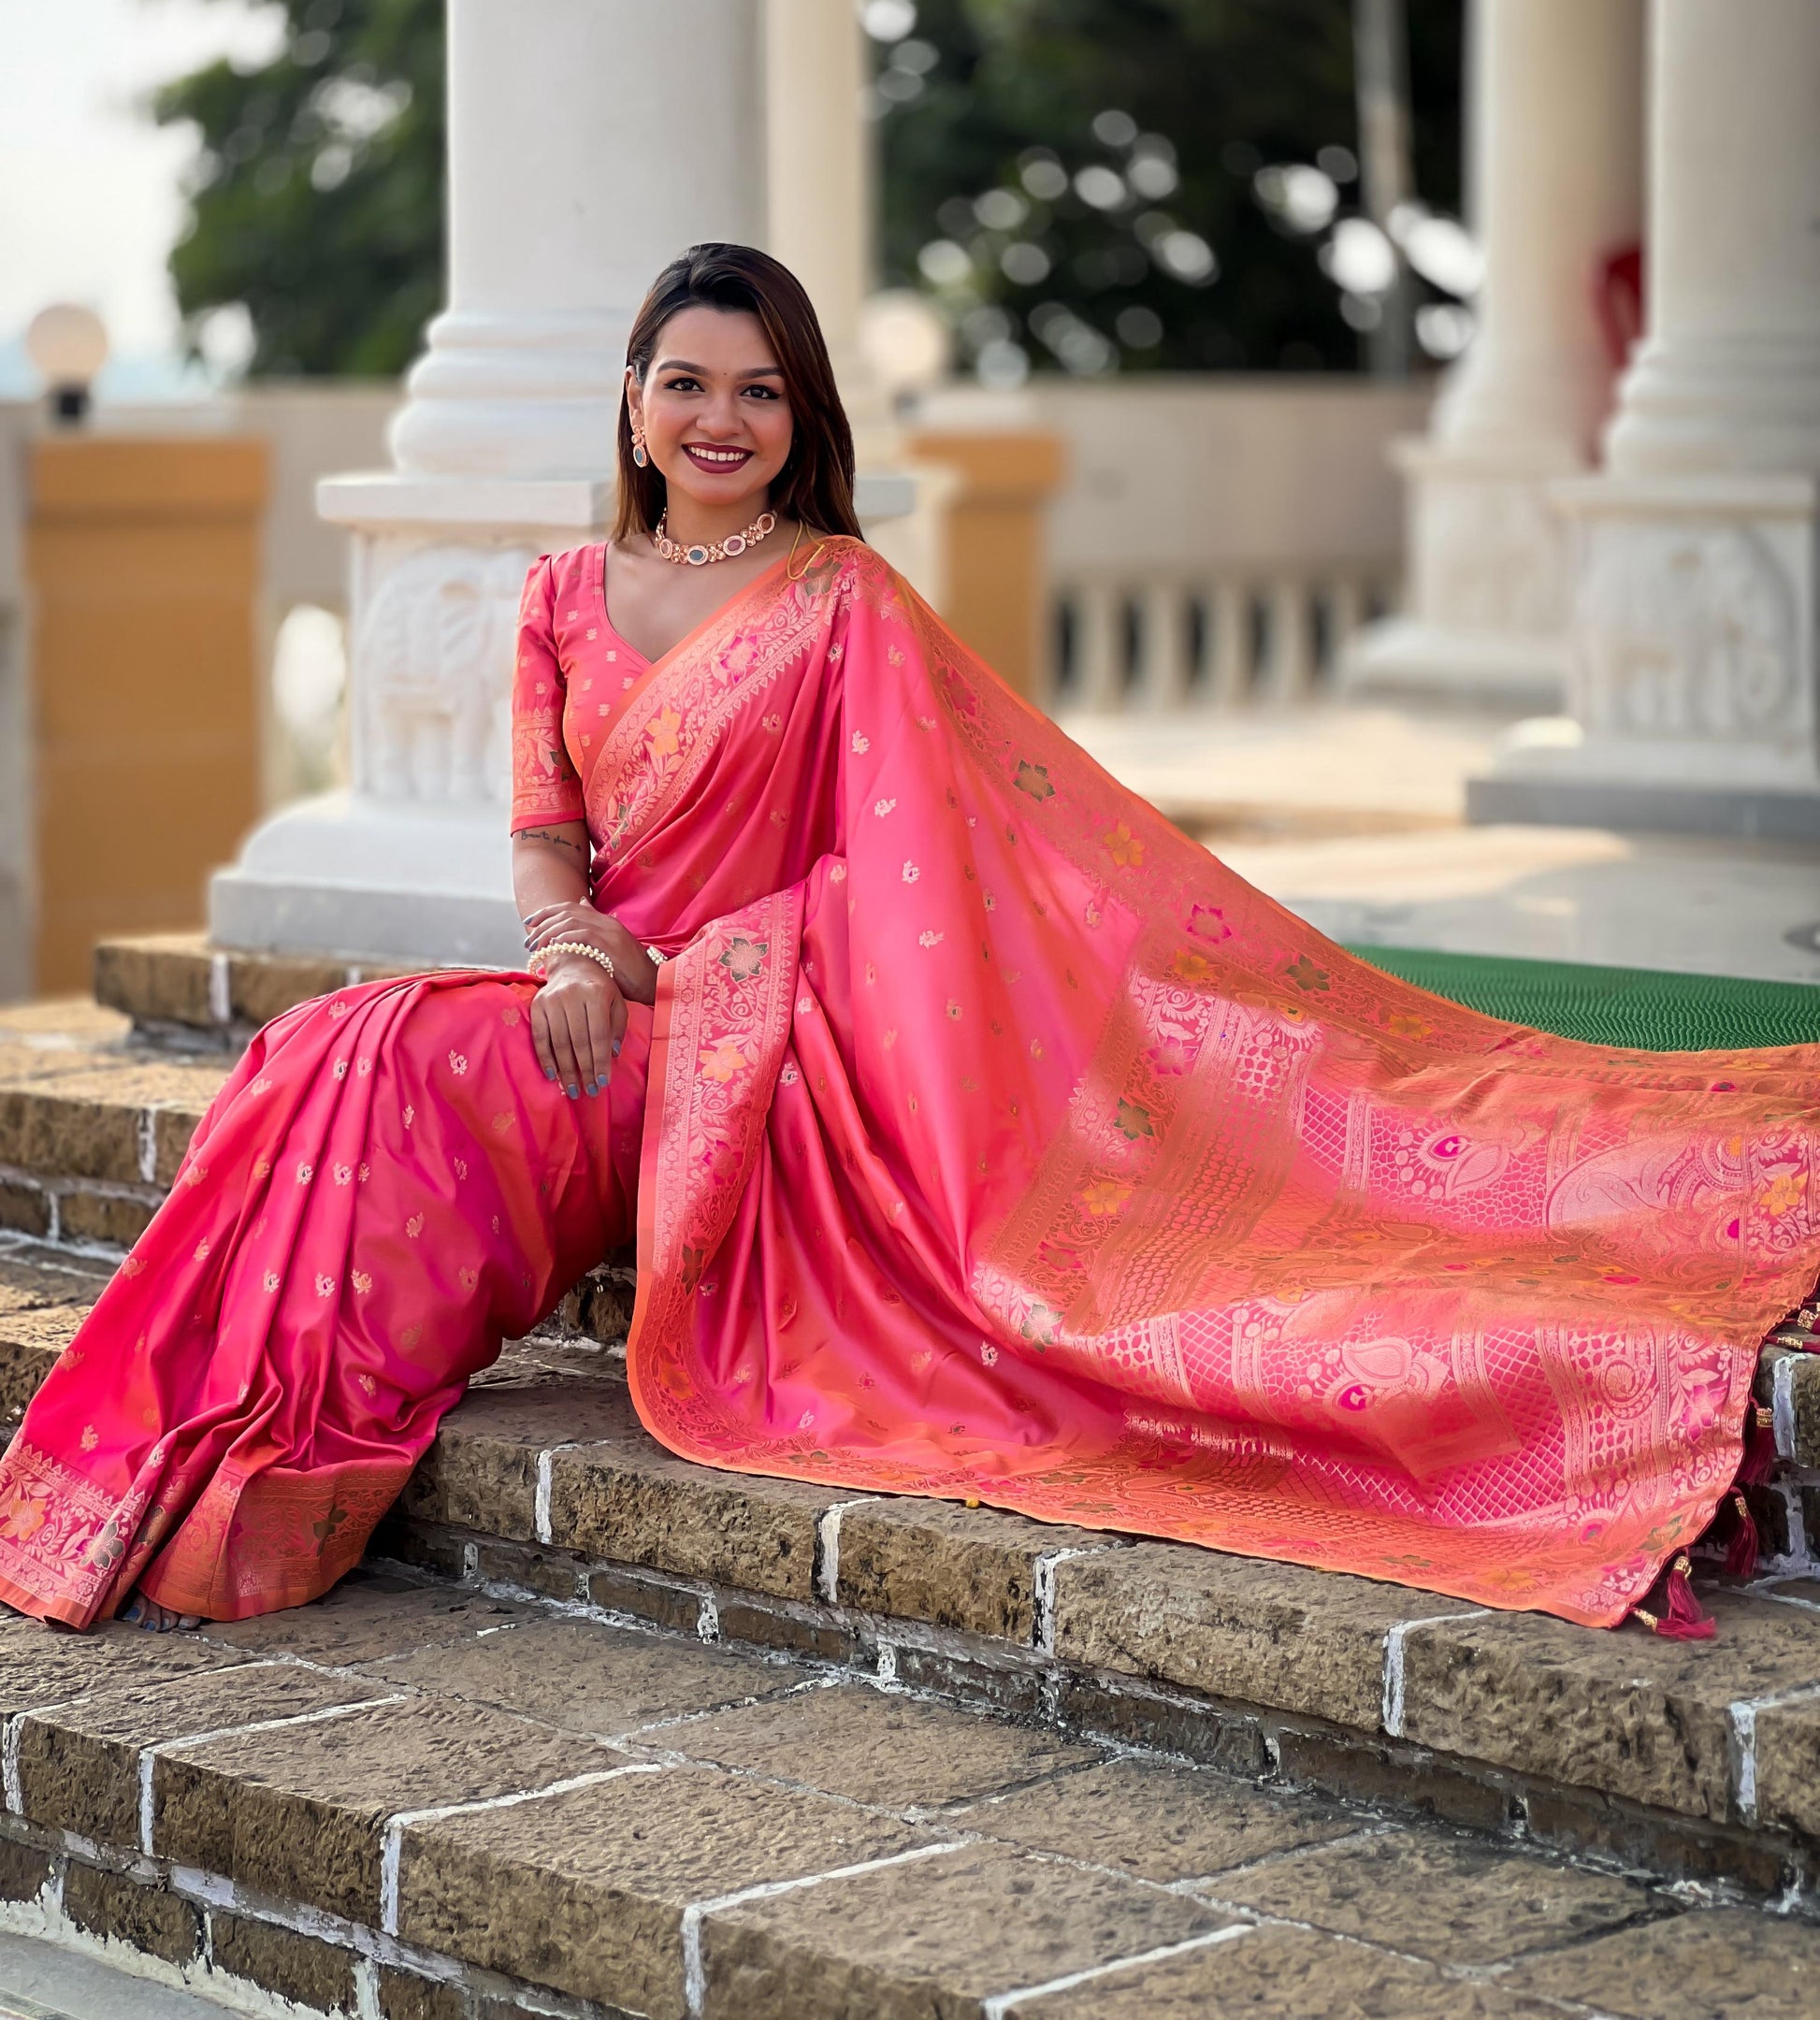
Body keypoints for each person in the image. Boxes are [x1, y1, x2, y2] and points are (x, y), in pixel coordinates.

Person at [0, 243, 1815, 1639]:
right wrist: (569, 948)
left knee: (383, 1051)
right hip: (603, 1003)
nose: (723, 418)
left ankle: (273, 1464)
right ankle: (204, 1453)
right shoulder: (557, 594)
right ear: (629, 397)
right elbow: (546, 838)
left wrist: (706, 973)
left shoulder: (841, 599)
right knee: (328, 1044)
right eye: (688, 381)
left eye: (764, 392)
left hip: (757, 1048)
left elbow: (936, 873)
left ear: (802, 420)